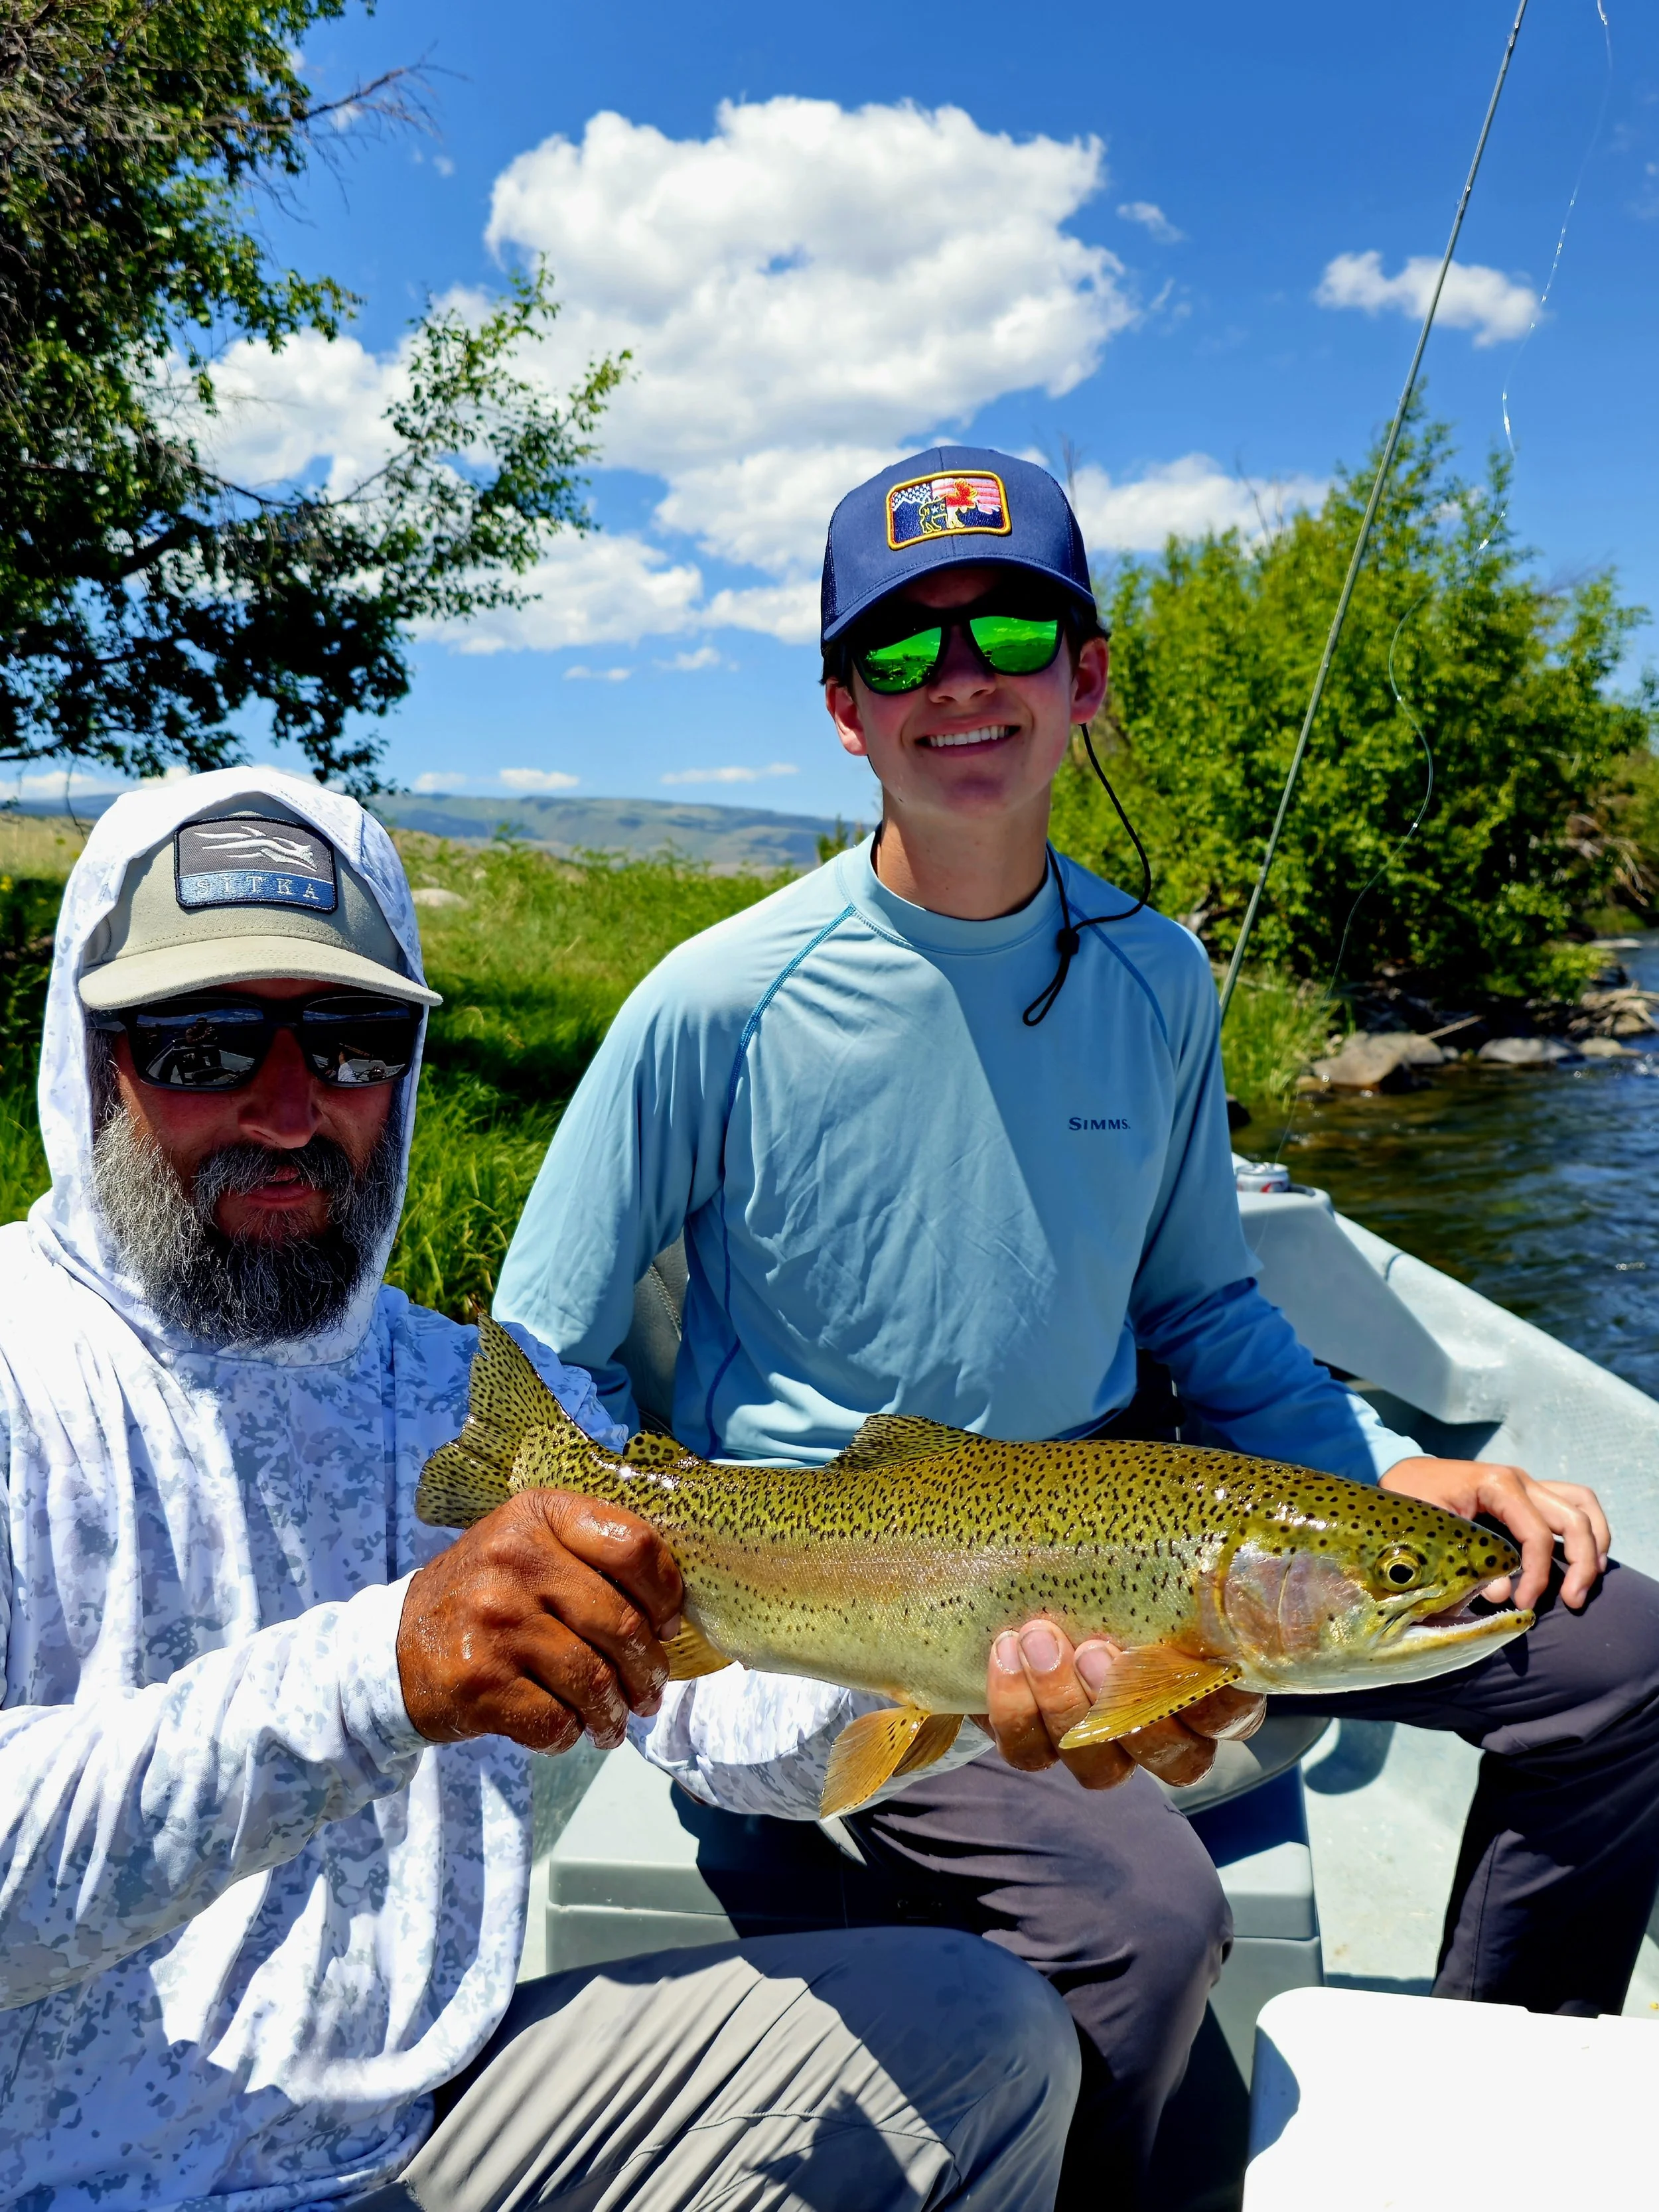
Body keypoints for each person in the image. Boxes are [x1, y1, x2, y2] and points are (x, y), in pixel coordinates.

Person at [496, 446, 1659, 2208]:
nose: (956, 680)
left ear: (1086, 676)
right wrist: (618, 1589)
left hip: (1125, 1526)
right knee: (1147, 1913)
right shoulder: (716, 999)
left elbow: (1206, 1304)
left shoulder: (1156, 976)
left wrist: (1380, 1481)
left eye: (1011, 628)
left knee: (1614, 1660)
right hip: (849, 1593)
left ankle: (1470, 2112)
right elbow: (539, 1353)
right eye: (899, 649)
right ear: (840, 707)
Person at [0, 767, 1080, 2212]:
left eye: (350, 1037)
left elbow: (718, 1719)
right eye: (199, 1043)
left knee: (982, 2037)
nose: (284, 1103)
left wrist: (981, 1662)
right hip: (64, 2177)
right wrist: (379, 1669)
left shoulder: (483, 1397)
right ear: (91, 1062)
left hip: (423, 2128)